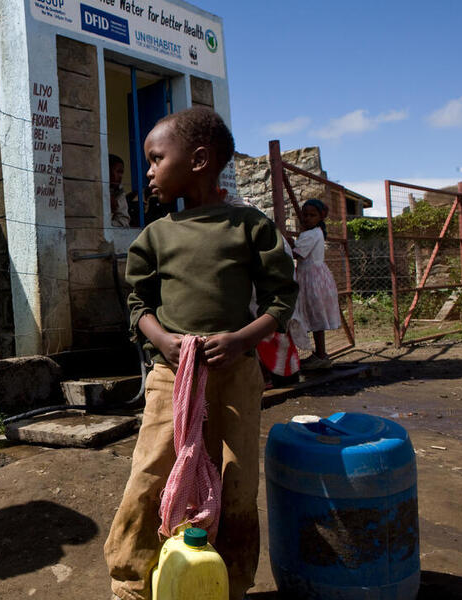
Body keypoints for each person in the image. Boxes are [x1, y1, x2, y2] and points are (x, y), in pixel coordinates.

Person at [104, 107, 297, 600]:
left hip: (236, 375)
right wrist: (162, 340)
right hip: (172, 373)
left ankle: (229, 582)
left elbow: (281, 299)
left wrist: (242, 340)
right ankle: (131, 580)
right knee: (151, 470)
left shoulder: (250, 227)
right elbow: (138, 305)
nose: (147, 170)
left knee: (236, 477)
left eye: (155, 159)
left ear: (198, 160)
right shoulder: (155, 235)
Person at [291, 198, 341, 370]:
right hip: (317, 277)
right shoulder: (318, 232)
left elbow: (297, 254)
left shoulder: (310, 234)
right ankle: (320, 354)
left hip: (310, 278)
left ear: (321, 216)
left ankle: (319, 355)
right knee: (316, 315)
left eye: (312, 215)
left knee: (313, 315)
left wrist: (287, 243)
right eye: (305, 215)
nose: (307, 218)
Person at [109, 154, 131, 227]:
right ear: (107, 171)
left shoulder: (119, 190)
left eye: (122, 173)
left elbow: (123, 221)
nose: (121, 176)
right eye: (118, 172)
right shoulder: (95, 188)